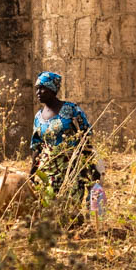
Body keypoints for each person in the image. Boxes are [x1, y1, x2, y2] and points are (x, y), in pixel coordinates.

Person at [29, 71, 101, 209]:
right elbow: (37, 147)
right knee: (48, 210)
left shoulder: (71, 110)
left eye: (42, 88)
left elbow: (85, 139)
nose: (38, 92)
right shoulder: (38, 117)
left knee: (71, 209)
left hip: (70, 170)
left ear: (52, 89)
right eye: (37, 88)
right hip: (47, 172)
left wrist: (92, 171)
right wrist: (32, 174)